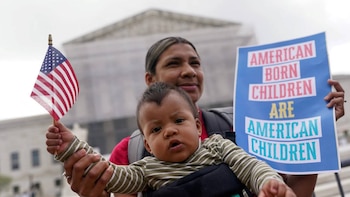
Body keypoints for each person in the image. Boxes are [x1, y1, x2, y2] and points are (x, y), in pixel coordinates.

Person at [55, 37, 346, 197]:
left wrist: (312, 126)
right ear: (150, 79)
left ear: (195, 124)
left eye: (195, 63)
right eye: (174, 63)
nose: (189, 71)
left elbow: (290, 190)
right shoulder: (131, 155)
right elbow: (113, 177)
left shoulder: (239, 127)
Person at [47, 82, 297, 197]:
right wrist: (71, 148)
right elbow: (110, 174)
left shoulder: (219, 146)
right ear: (147, 145)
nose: (169, 131)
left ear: (198, 126)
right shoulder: (145, 170)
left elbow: (250, 166)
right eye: (156, 130)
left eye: (178, 121)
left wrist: (269, 184)